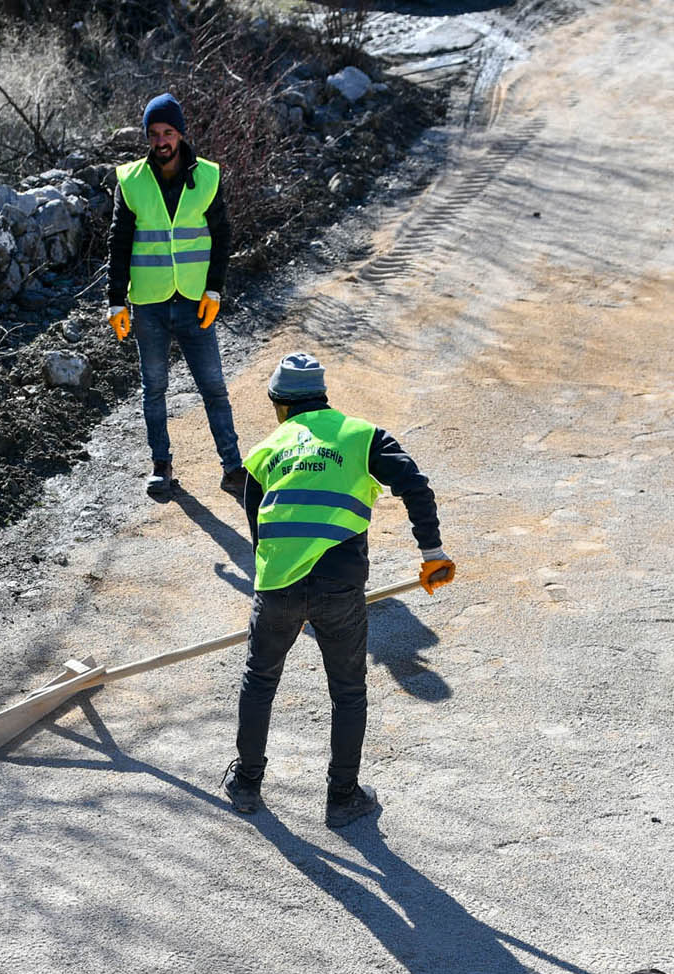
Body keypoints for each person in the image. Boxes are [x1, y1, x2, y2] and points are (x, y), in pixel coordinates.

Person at [223, 351, 455, 829]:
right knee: (348, 691)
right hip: (340, 585)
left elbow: (257, 531)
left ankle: (246, 783)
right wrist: (432, 553)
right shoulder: (362, 436)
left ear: (278, 403)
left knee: (260, 681)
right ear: (324, 397)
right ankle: (343, 797)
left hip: (278, 585)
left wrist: (277, 583)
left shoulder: (265, 450)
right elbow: (416, 485)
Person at [108, 94, 247, 500]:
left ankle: (232, 467)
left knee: (214, 387)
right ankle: (161, 466)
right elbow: (119, 240)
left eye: (168, 132)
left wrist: (214, 289)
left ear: (181, 134)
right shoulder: (130, 181)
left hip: (192, 300)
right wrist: (116, 299)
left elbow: (221, 236)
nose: (161, 141)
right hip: (148, 302)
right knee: (154, 388)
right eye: (154, 134)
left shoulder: (206, 176)